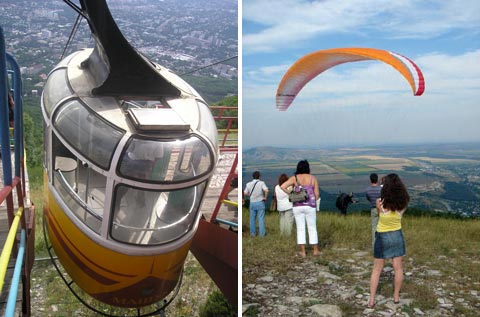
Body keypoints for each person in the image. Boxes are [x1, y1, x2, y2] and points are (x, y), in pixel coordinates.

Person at [368, 173, 409, 308]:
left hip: (382, 236)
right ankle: (396, 296)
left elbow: (380, 216)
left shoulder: (379, 202)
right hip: (397, 235)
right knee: (398, 268)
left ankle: (372, 300)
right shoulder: (403, 203)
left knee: (376, 269)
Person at [281, 160, 320, 257]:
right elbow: (317, 194)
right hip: (310, 205)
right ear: (308, 168)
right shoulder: (312, 178)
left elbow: (282, 186)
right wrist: (314, 199)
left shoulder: (294, 178)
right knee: (312, 228)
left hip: (297, 206)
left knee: (300, 228)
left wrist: (291, 194)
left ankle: (303, 252)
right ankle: (315, 251)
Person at [244, 171, 269, 237]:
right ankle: (262, 234)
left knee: (252, 219)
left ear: (253, 176)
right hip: (260, 202)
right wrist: (265, 198)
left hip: (252, 203)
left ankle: (253, 234)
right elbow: (266, 190)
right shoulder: (261, 183)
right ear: (259, 176)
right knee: (261, 219)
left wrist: (250, 195)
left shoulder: (248, 184)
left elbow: (245, 192)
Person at [366, 173, 382, 247]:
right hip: (381, 209)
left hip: (373, 209)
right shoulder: (380, 189)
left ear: (370, 180)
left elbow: (368, 198)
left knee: (374, 228)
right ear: (377, 179)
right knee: (382, 227)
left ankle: (374, 246)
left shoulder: (368, 190)